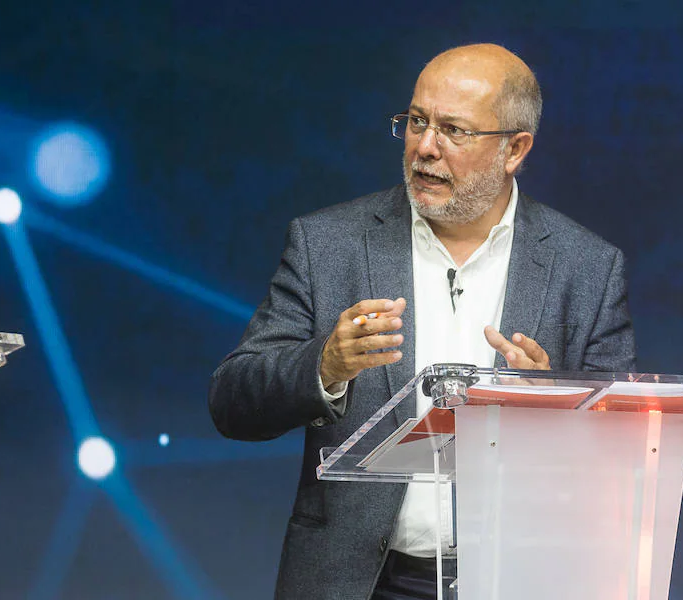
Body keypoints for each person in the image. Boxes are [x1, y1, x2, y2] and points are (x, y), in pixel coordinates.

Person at [209, 43, 635, 600]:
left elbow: (625, 460)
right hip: (357, 582)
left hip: (516, 580)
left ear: (514, 149)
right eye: (416, 122)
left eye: (453, 130)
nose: (424, 148)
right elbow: (233, 403)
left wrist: (551, 406)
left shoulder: (588, 267)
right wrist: (326, 365)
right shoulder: (327, 245)